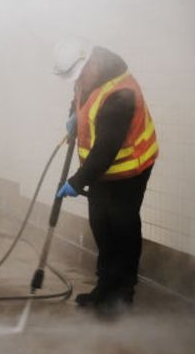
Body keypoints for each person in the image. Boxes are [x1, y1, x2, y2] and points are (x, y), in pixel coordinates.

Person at [53, 38, 158, 315]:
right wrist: (73, 117)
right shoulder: (88, 75)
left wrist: (76, 181)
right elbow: (79, 100)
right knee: (100, 223)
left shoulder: (119, 94)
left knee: (122, 225)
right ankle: (105, 287)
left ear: (91, 63)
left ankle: (123, 294)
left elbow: (106, 149)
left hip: (130, 167)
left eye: (80, 75)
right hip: (101, 169)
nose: (79, 81)